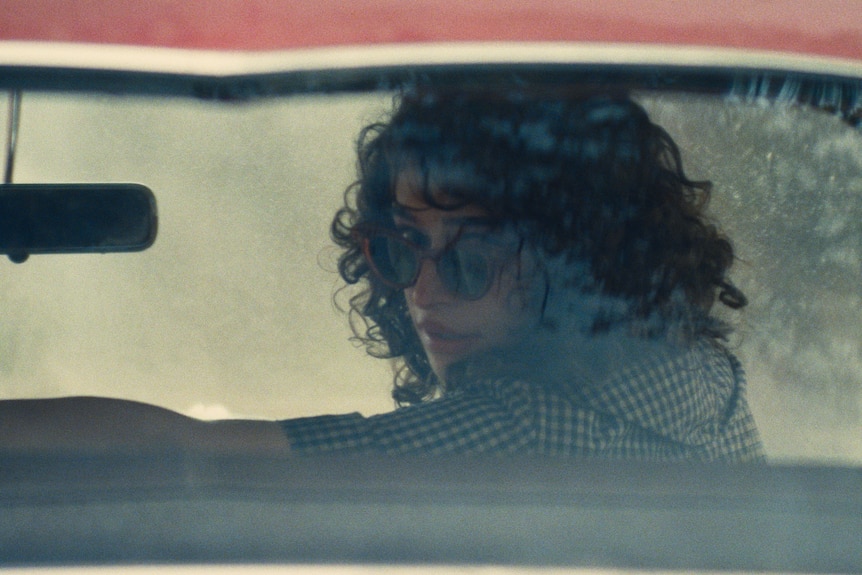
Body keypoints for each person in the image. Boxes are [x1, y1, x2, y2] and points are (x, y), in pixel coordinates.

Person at [0, 88, 764, 462]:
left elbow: (197, 455)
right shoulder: (708, 382)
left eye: (472, 258)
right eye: (399, 248)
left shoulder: (518, 430)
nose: (422, 291)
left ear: (583, 259)